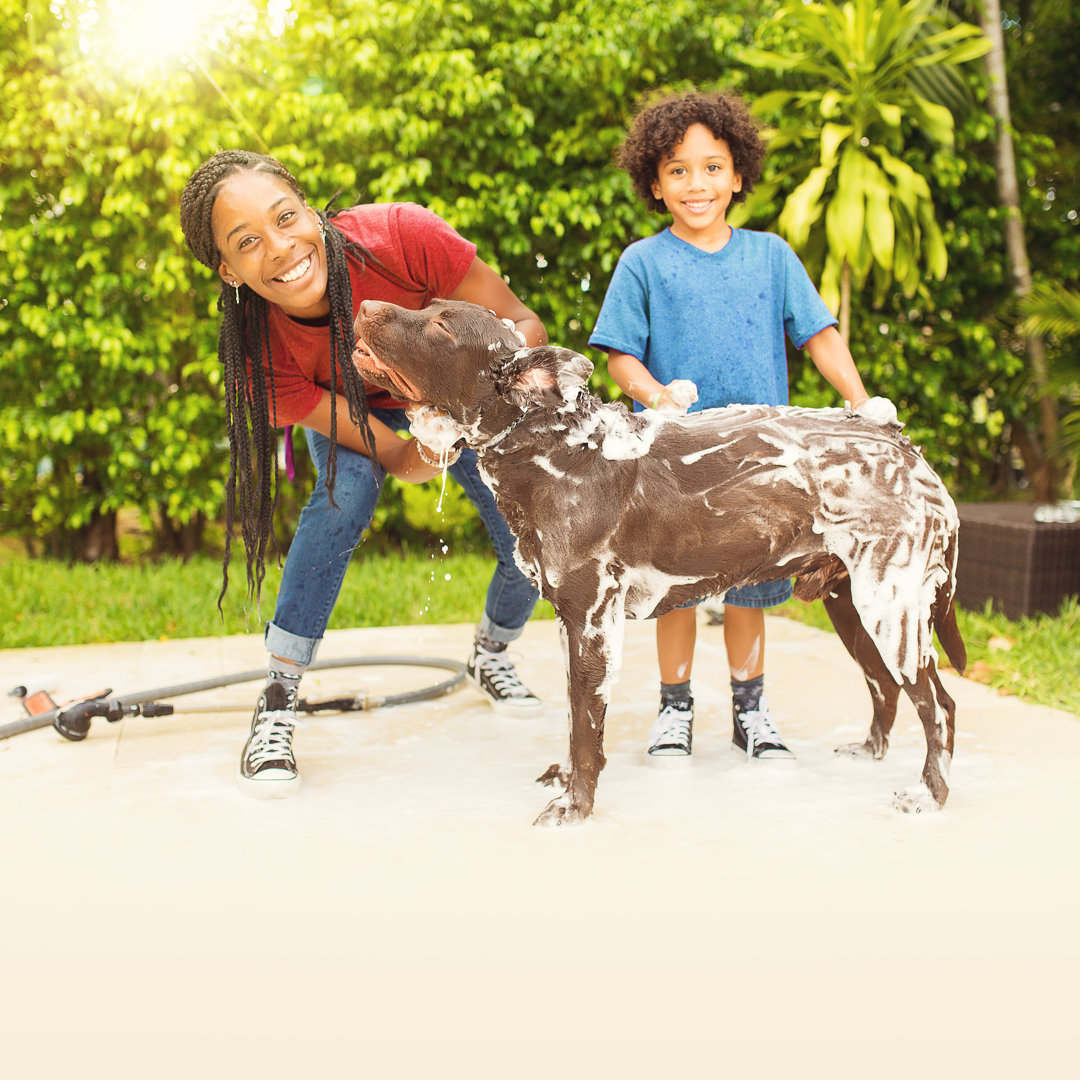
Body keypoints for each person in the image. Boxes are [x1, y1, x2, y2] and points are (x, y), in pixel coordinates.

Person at [180, 150, 545, 797]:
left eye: (285, 217)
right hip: (364, 411)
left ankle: (491, 653)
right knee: (345, 493)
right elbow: (400, 459)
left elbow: (522, 324)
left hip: (459, 390)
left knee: (530, 534)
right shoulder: (261, 354)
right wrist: (428, 440)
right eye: (247, 243)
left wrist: (464, 403)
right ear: (227, 270)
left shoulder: (404, 238)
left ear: (308, 207)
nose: (280, 247)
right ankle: (278, 696)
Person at [589, 90, 871, 761]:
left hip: (757, 461)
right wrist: (653, 394)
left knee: (751, 583)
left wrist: (861, 403)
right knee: (675, 588)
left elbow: (820, 336)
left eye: (712, 167)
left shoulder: (771, 256)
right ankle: (674, 710)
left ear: (738, 174)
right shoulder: (642, 263)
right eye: (678, 170)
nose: (697, 183)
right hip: (672, 464)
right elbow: (619, 355)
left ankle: (751, 712)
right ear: (654, 183)